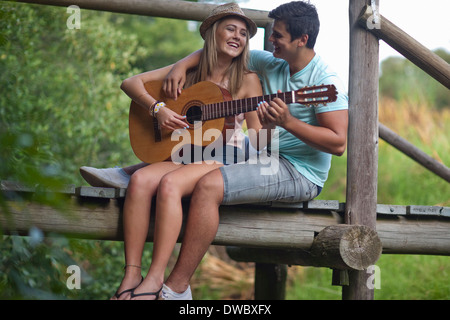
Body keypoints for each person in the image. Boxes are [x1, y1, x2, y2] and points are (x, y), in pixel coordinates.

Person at [152, 0, 349, 297]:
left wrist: (289, 122)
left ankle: (176, 288)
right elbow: (222, 50)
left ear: (302, 40)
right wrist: (181, 65)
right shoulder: (271, 61)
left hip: (299, 170)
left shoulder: (324, 81)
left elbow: (338, 143)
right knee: (198, 147)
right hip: (261, 149)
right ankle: (134, 174)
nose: (271, 40)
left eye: (278, 35)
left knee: (208, 186)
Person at [110, 3, 262, 300]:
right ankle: (131, 273)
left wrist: (269, 124)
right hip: (185, 154)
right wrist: (158, 109)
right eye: (230, 29)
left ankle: (155, 279)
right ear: (212, 34)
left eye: (243, 33)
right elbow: (130, 83)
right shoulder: (187, 72)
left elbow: (257, 136)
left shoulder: (247, 80)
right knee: (140, 182)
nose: (237, 37)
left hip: (223, 159)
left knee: (168, 186)